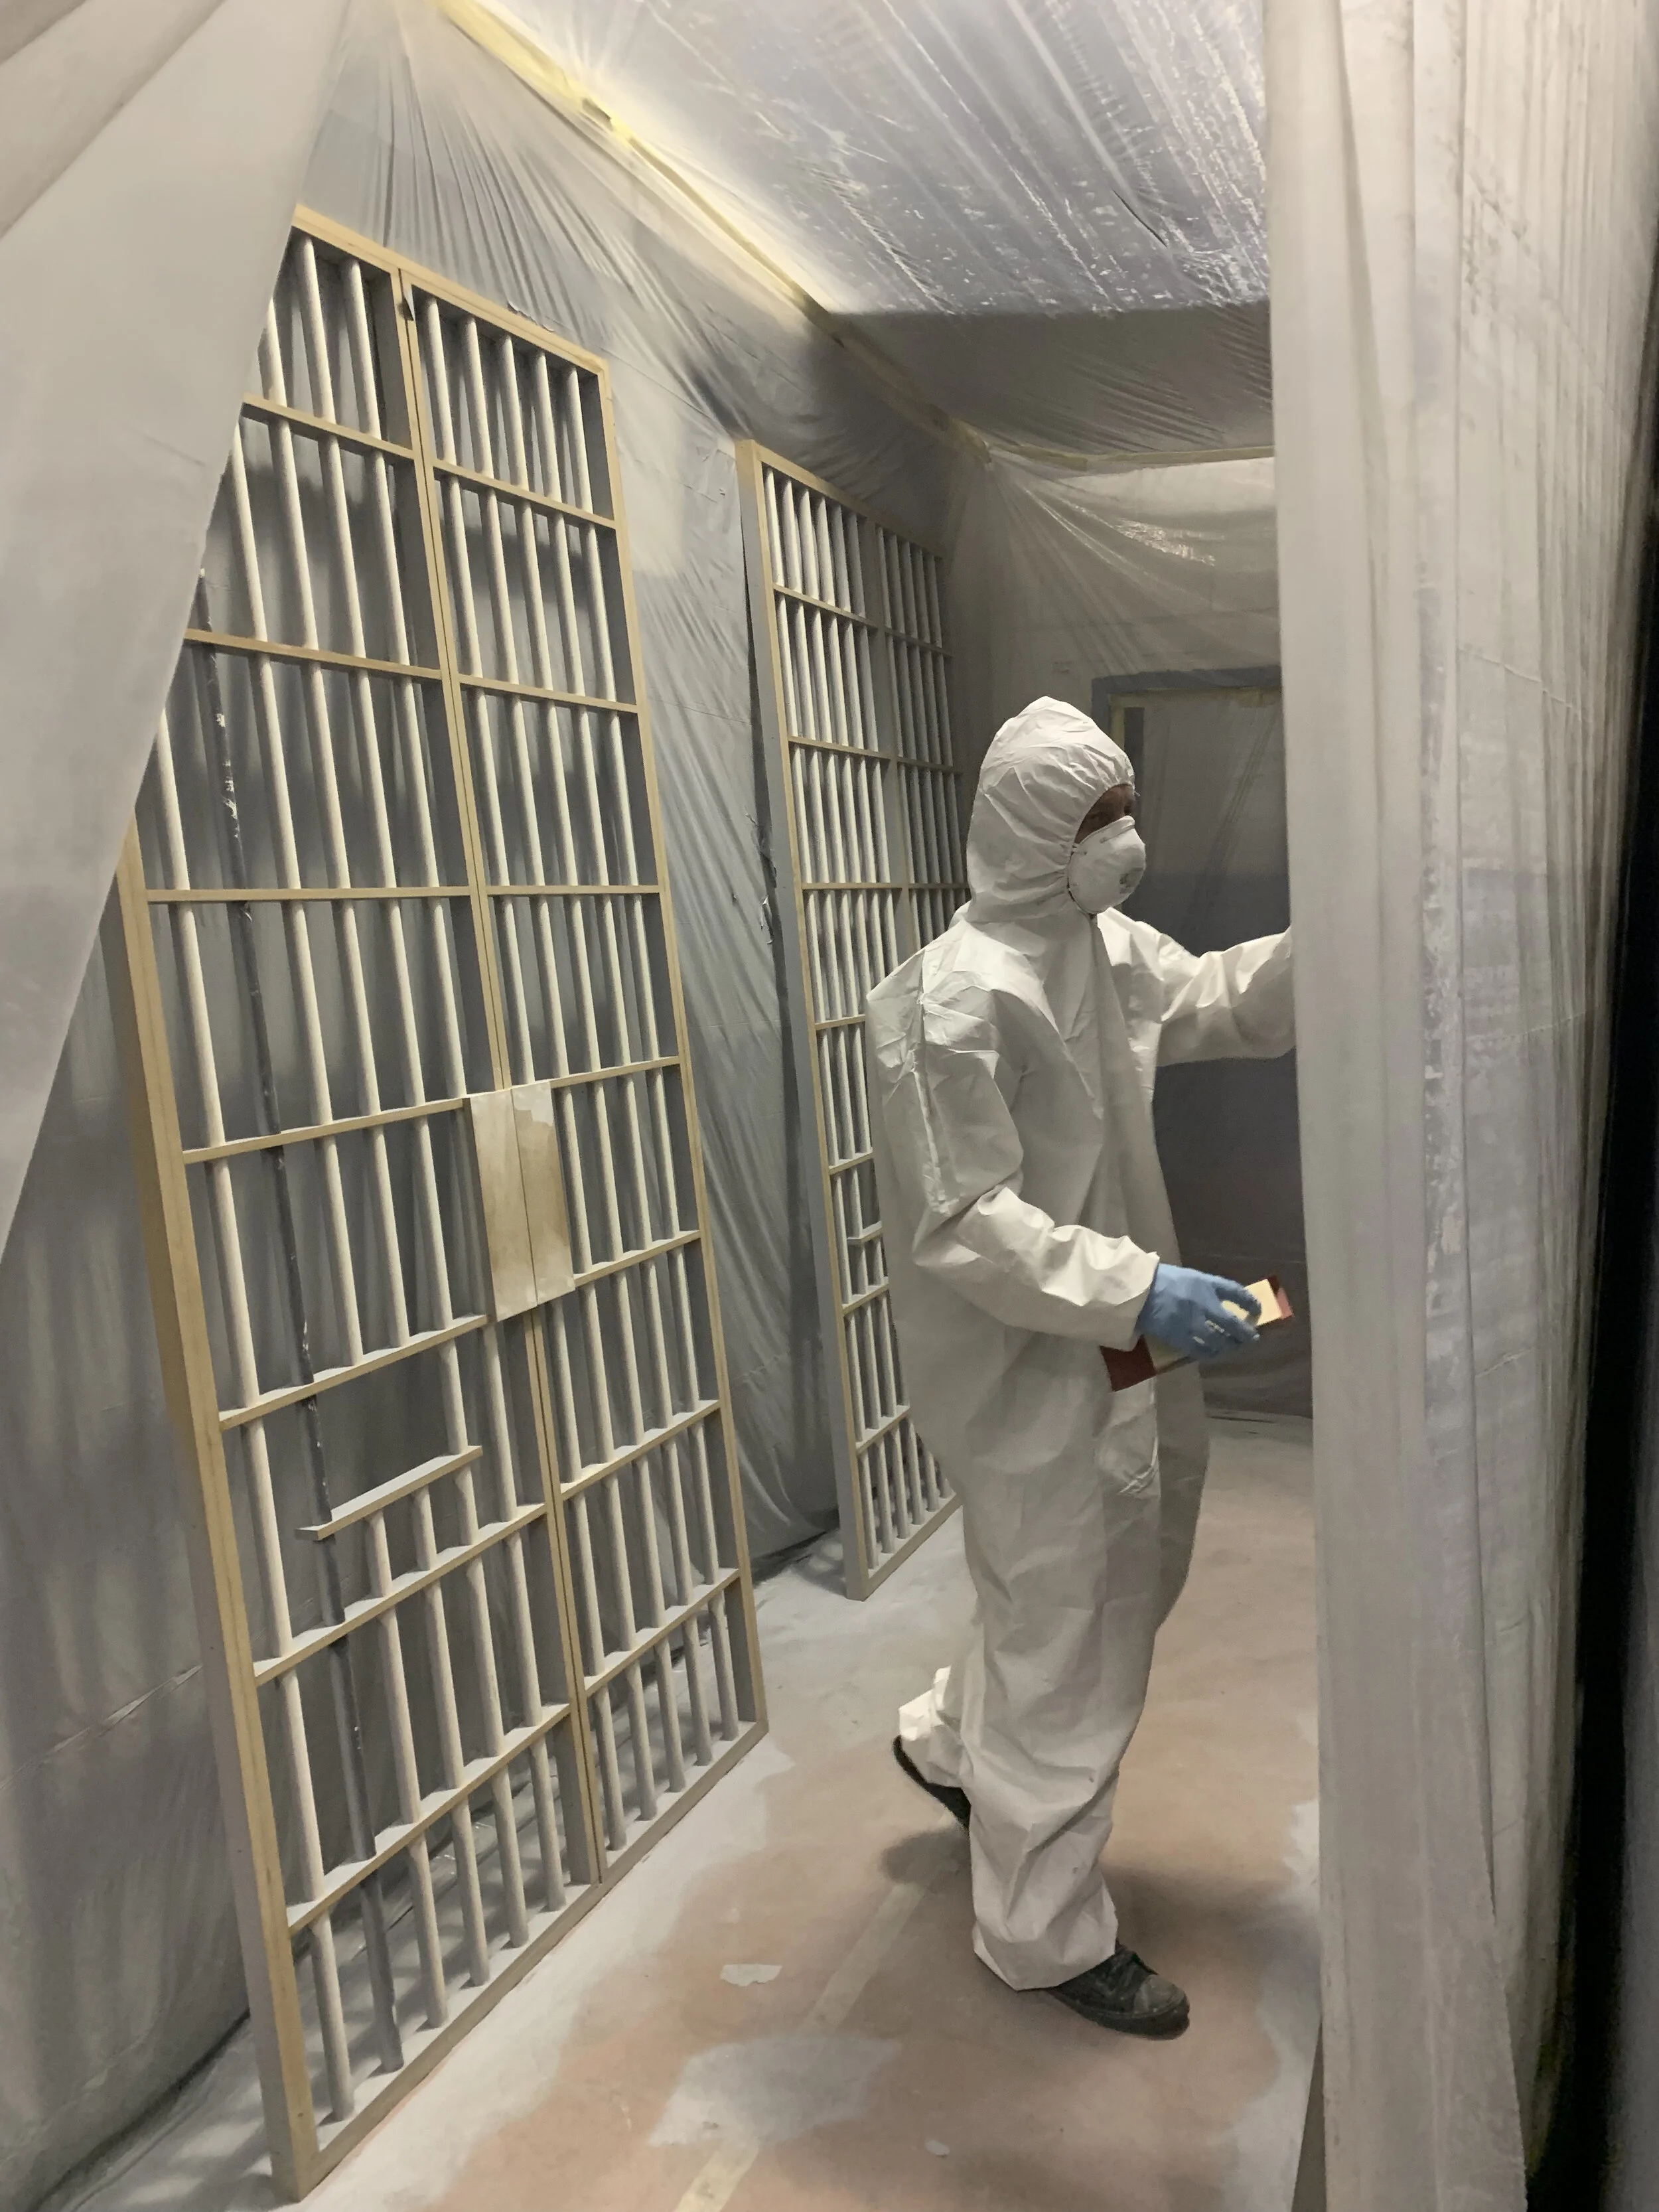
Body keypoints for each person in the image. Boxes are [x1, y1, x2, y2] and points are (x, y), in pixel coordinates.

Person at [865, 695, 1294, 2037]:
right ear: (1031, 833)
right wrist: (1137, 1289)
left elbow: (1214, 998)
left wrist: (1342, 935)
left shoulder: (1096, 946)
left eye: (1124, 807)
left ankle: (950, 1744)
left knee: (1100, 1583)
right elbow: (963, 1223)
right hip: (1028, 1367)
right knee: (1074, 1622)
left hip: (1114, 1340)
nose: (1126, 837)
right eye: (1097, 817)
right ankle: (1040, 1931)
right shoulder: (947, 1004)